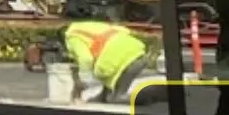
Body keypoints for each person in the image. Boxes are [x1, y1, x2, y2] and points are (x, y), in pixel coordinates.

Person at [24, 20, 168, 105]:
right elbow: (122, 30)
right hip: (136, 52)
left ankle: (153, 96)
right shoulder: (86, 27)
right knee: (108, 97)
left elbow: (85, 59)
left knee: (116, 101)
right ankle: (157, 95)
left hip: (126, 61)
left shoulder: (72, 38)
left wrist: (84, 81)